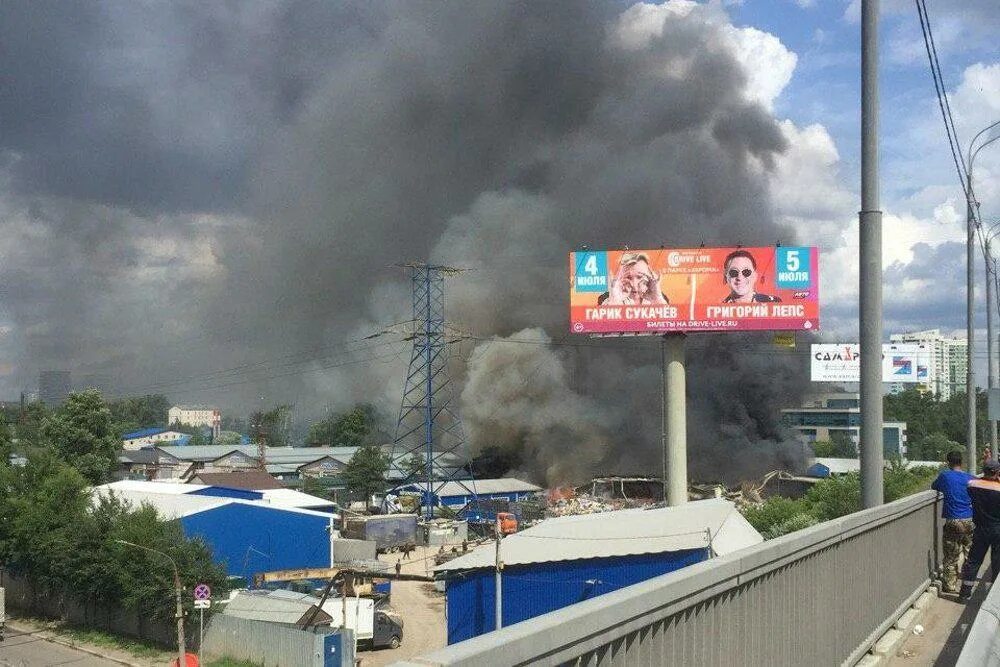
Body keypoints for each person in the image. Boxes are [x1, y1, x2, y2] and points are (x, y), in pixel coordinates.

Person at [931, 450, 975, 593]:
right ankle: (968, 585)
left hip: (953, 520)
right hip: (969, 519)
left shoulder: (945, 476)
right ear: (961, 462)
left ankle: (949, 586)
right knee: (970, 555)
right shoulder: (970, 478)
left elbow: (934, 486)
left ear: (948, 462)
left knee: (951, 556)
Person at [959, 460, 1000, 601]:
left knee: (974, 560)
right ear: (997, 472)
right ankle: (995, 595)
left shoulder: (973, 485)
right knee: (997, 561)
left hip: (980, 528)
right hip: (997, 529)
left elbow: (972, 485)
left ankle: (964, 593)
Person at [598, 252, 669, 306]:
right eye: (628, 277)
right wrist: (615, 300)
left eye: (640, 277)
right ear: (619, 278)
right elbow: (603, 324)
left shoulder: (661, 298)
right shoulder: (606, 299)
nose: (634, 284)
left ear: (650, 277)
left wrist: (657, 299)